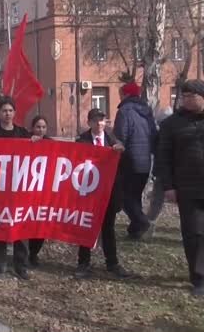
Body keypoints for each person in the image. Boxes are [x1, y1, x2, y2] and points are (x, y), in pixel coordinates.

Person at [0, 96, 40, 280]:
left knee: (20, 228)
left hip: (19, 189)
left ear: (15, 113)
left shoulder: (23, 134)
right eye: (4, 110)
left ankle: (21, 265)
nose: (7, 114)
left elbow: (42, 152)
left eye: (10, 110)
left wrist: (37, 141)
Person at [156, 79, 204, 296]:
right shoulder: (172, 124)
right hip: (187, 188)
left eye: (190, 96)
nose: (185, 99)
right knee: (193, 233)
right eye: (183, 96)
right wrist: (168, 186)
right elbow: (163, 158)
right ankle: (199, 279)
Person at [74, 108, 133, 280]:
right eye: (95, 120)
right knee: (86, 227)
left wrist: (121, 152)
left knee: (108, 229)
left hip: (108, 194)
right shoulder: (82, 140)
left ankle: (112, 264)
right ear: (89, 122)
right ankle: (83, 263)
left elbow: (123, 165)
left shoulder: (112, 139)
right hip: (89, 193)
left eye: (102, 120)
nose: (99, 123)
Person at [113, 82, 157, 240]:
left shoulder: (124, 111)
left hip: (129, 160)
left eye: (120, 93)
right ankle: (135, 230)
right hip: (145, 161)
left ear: (125, 94)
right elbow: (153, 135)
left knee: (124, 197)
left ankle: (143, 222)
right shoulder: (146, 110)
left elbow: (120, 137)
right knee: (135, 196)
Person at [27, 115, 53, 267]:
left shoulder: (51, 144)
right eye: (38, 127)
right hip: (29, 190)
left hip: (44, 190)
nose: (41, 130)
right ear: (32, 128)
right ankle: (26, 252)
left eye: (43, 127)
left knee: (41, 224)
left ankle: (34, 253)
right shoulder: (26, 141)